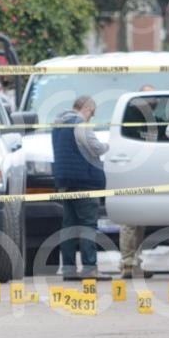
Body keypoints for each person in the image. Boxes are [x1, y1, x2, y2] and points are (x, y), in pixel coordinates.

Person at [53, 95, 109, 280]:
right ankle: (89, 268)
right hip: (84, 181)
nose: (91, 117)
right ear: (87, 109)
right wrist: (108, 145)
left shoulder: (58, 124)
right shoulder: (80, 124)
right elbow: (96, 147)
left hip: (65, 182)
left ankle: (68, 269)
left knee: (69, 225)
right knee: (87, 225)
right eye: (92, 113)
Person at [118, 85, 156, 279]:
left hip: (145, 174)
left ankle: (135, 262)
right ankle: (127, 263)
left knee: (140, 221)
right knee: (131, 220)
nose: (152, 102)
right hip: (131, 173)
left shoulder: (150, 119)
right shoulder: (131, 116)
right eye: (148, 98)